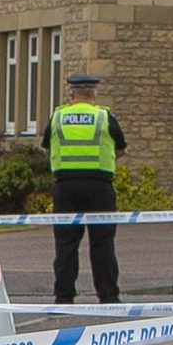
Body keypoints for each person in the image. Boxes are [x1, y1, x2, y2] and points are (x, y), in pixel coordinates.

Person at [46, 72, 128, 304]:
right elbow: (120, 149)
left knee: (66, 245)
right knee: (102, 243)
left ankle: (63, 297)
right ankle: (108, 296)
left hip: (65, 188)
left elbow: (47, 147)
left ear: (71, 94)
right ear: (94, 94)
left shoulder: (57, 117)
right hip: (99, 187)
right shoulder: (104, 116)